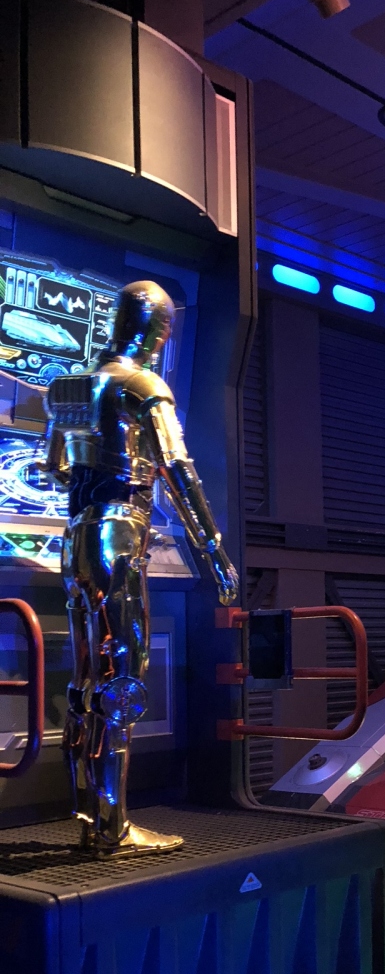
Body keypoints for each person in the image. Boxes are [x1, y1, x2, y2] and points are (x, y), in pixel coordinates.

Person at [41, 280, 239, 855]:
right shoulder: (145, 385)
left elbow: (56, 468)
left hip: (77, 536)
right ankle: (111, 828)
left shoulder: (71, 385)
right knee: (121, 677)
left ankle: (93, 818)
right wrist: (214, 550)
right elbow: (178, 470)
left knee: (86, 682)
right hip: (120, 532)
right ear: (158, 331)